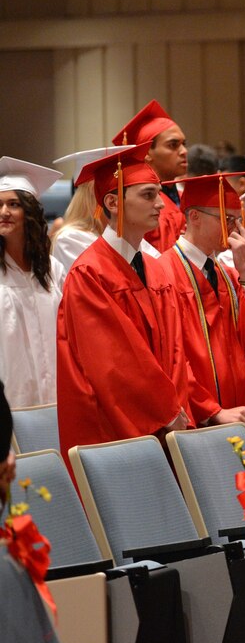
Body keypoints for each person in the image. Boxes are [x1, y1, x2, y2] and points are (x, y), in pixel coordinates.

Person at [57, 143, 190, 455]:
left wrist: (177, 407)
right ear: (113, 202)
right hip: (117, 429)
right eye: (148, 195)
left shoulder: (156, 269)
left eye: (159, 193)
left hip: (169, 423)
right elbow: (113, 363)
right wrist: (166, 413)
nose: (161, 204)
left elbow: (176, 351)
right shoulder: (89, 273)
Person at [160, 173, 245, 427]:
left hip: (238, 411)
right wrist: (212, 410)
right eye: (226, 219)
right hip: (199, 417)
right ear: (194, 217)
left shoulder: (227, 274)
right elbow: (170, 358)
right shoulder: (163, 273)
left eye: (237, 220)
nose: (234, 229)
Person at [0, 158, 66, 407]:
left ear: (29, 212)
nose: (4, 212)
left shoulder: (52, 270)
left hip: (56, 392)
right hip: (11, 396)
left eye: (13, 204)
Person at [112, 100, 188, 252]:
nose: (184, 151)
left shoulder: (186, 197)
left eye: (184, 143)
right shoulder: (138, 207)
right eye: (173, 145)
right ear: (146, 153)